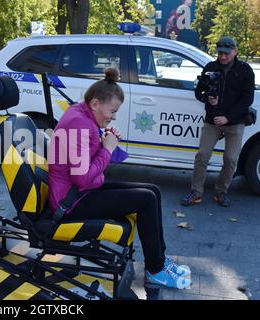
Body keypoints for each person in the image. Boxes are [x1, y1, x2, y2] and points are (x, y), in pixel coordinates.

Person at [48, 68, 192, 290]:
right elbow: (82, 179)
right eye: (112, 111)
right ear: (95, 104)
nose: (114, 116)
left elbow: (84, 162)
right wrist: (107, 149)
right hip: (71, 201)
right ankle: (155, 270)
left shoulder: (82, 112)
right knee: (146, 200)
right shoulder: (80, 123)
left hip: (79, 190)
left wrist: (105, 141)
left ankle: (160, 262)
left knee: (153, 190)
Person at [181, 36, 255, 208]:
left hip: (234, 122)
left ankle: (221, 191)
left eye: (226, 54)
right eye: (220, 53)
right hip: (212, 121)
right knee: (202, 156)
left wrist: (228, 118)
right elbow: (198, 91)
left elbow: (247, 99)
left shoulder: (245, 70)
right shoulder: (210, 67)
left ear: (235, 51)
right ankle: (196, 192)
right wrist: (207, 99)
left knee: (230, 159)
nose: (223, 57)